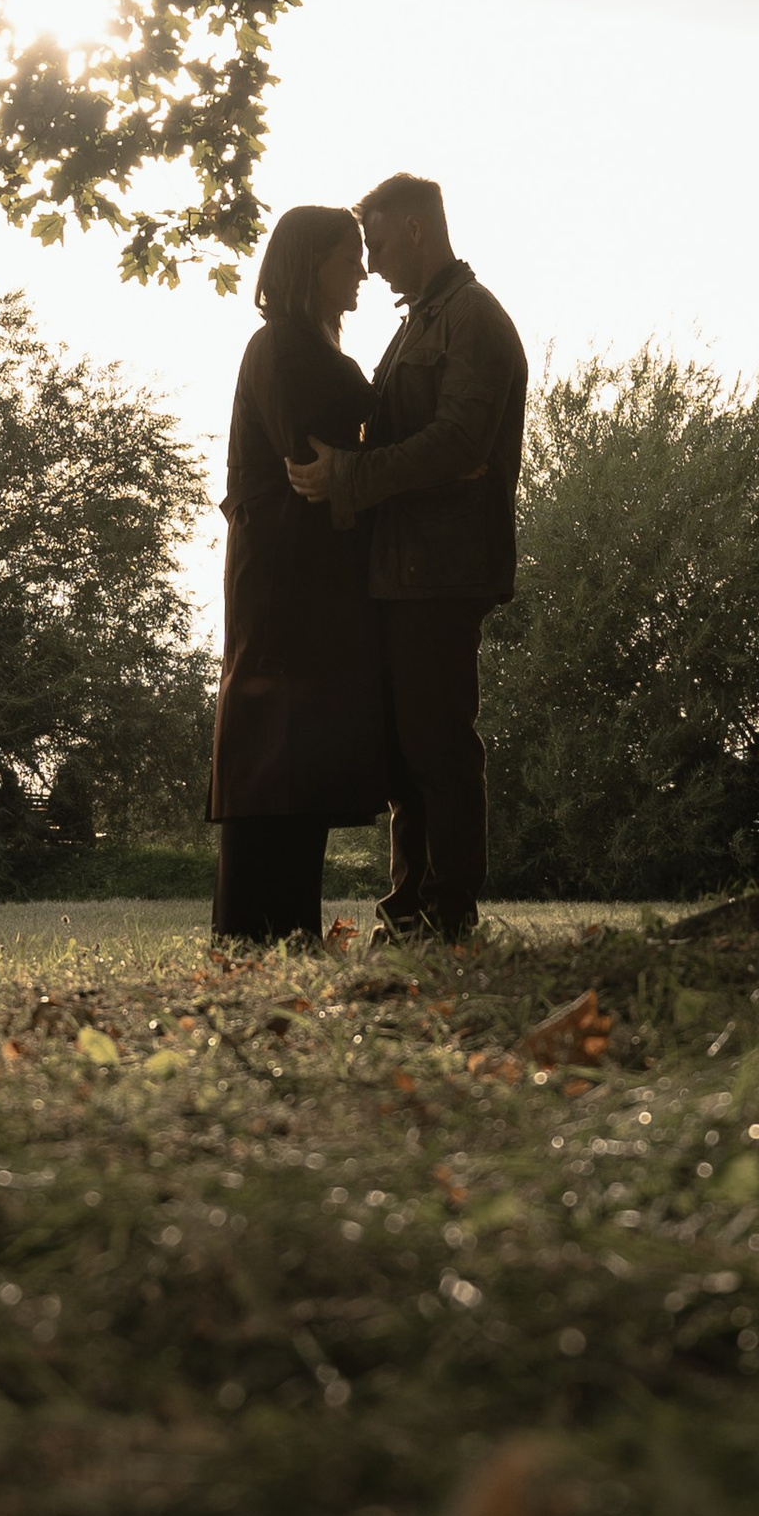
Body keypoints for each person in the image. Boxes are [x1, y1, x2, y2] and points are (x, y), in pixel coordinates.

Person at [285, 172, 526, 943]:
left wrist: (350, 475)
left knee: (437, 743)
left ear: (416, 230)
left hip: (442, 570)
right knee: (405, 749)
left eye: (379, 243)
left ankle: (446, 916)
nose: (371, 263)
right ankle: (411, 912)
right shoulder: (422, 322)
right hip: (401, 570)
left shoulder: (473, 321)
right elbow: (421, 445)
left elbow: (458, 443)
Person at [207, 202, 394, 944]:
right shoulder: (283, 347)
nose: (363, 270)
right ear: (308, 265)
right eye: (348, 256)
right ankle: (253, 930)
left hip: (310, 576)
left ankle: (285, 928)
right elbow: (312, 460)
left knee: (298, 747)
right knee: (271, 745)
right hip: (284, 578)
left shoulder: (304, 345)